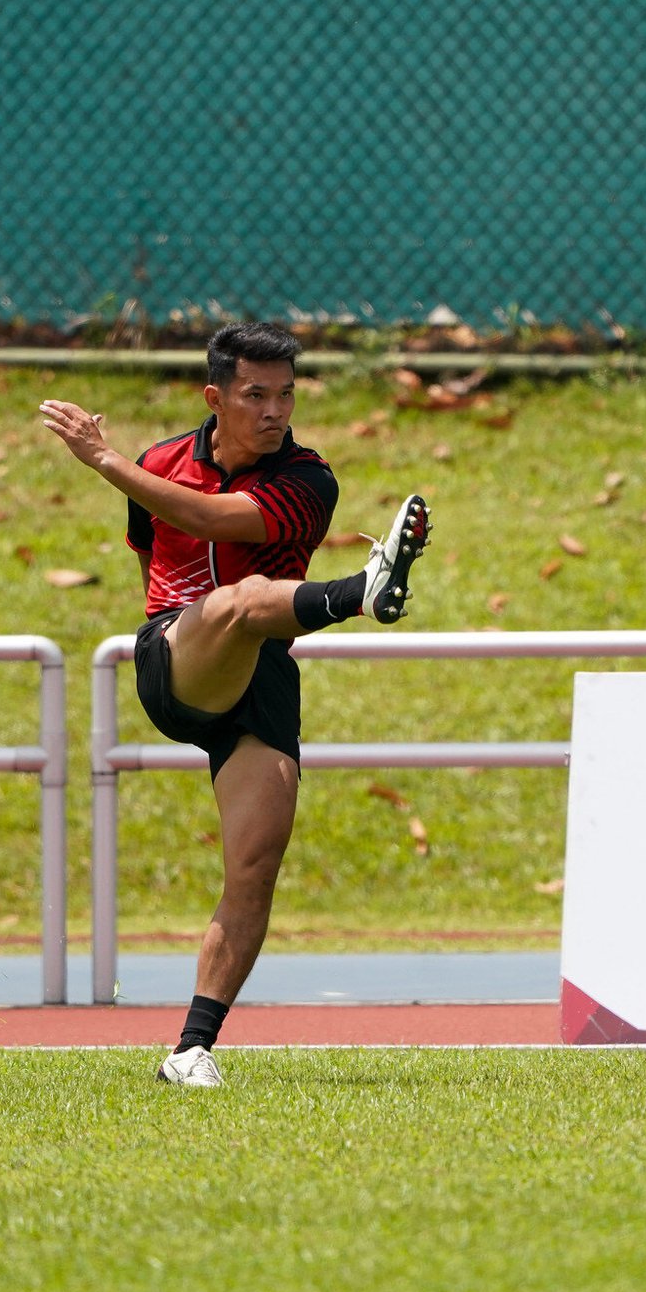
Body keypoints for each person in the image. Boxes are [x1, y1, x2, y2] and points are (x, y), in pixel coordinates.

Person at [40, 322, 429, 1087]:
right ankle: (363, 593)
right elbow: (163, 545)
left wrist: (104, 462)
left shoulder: (310, 480)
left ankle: (191, 1049)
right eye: (256, 394)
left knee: (255, 864)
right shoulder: (157, 462)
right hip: (176, 660)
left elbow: (211, 519)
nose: (275, 409)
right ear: (215, 397)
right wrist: (115, 462)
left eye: (286, 394)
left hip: (262, 675)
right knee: (239, 602)